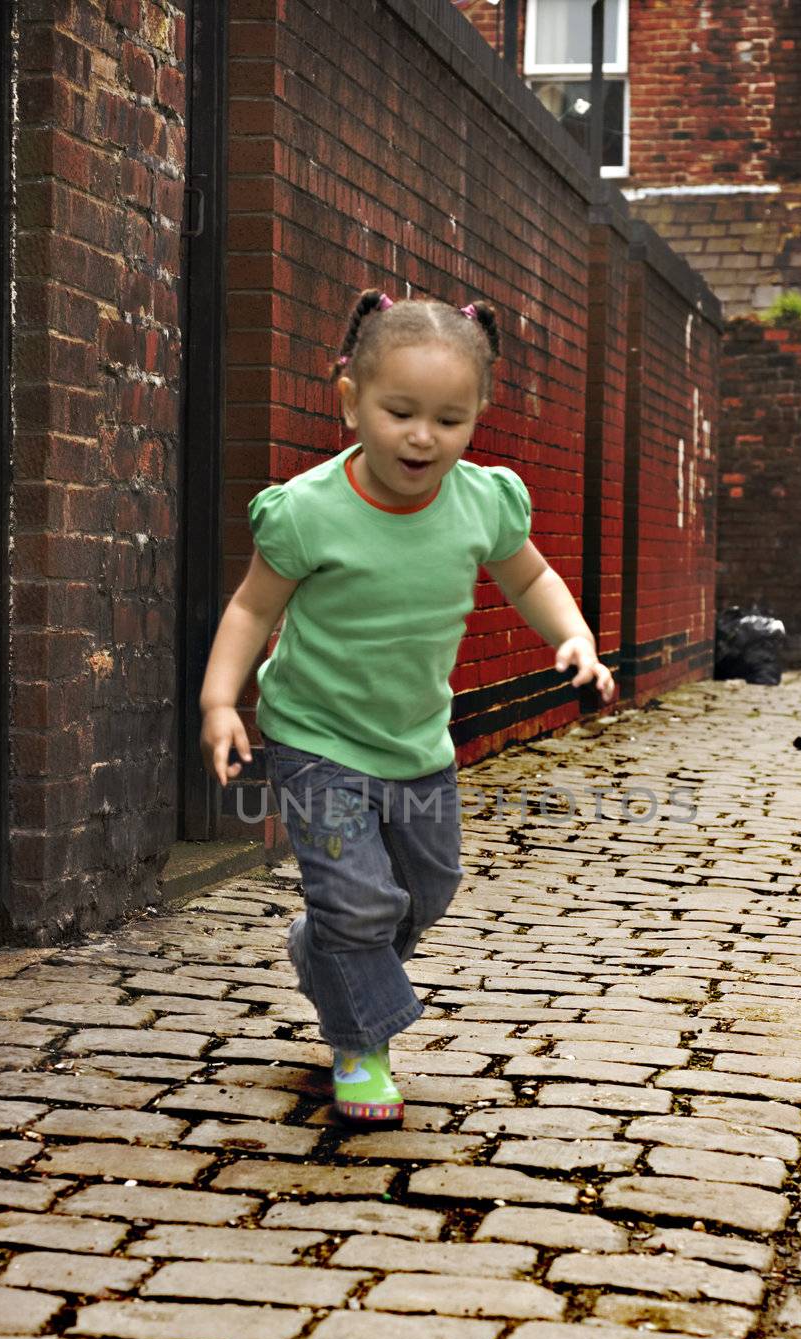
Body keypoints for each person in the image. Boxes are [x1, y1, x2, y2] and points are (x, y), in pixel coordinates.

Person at [200, 288, 615, 1126]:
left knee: (426, 886)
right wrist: (220, 702)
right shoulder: (310, 512)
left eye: (449, 419)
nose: (423, 437)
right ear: (350, 400)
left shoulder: (482, 502)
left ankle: (322, 951)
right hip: (314, 737)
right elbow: (251, 607)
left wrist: (574, 638)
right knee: (359, 901)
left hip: (418, 741)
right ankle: (361, 1048)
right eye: (399, 412)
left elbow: (530, 577)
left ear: (476, 417)